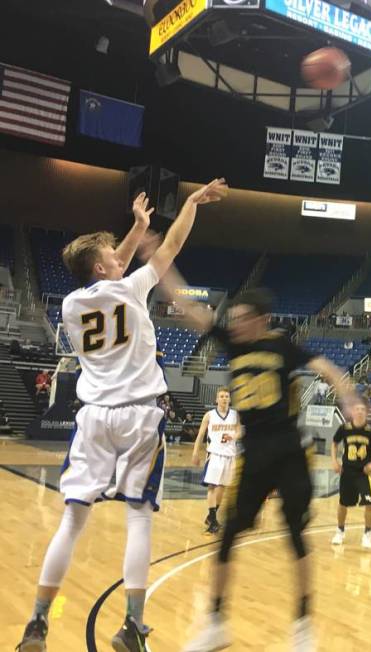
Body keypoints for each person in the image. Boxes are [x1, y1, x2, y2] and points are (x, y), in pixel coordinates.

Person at [16, 179, 228, 652]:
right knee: (139, 520)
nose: (122, 257)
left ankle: (37, 624)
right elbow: (170, 245)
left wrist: (134, 228)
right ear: (103, 267)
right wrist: (191, 204)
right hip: (139, 417)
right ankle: (132, 627)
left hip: (93, 418)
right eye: (115, 256)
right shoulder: (131, 289)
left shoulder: (71, 306)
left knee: (71, 522)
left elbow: (112, 267)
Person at [174, 287, 358, 652]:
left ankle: (303, 625)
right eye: (234, 318)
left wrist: (348, 396)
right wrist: (158, 263)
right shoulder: (231, 343)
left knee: (294, 536)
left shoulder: (282, 347)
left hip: (290, 452)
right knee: (228, 537)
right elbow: (193, 311)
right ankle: (215, 622)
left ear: (262, 320)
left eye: (243, 318)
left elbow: (326, 368)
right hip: (254, 455)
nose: (236, 324)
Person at [330, 399, 371, 548]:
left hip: (364, 473)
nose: (360, 411)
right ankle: (340, 531)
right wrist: (334, 461)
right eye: (357, 409)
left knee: (369, 503)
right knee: (343, 504)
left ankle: (367, 534)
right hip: (347, 472)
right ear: (352, 411)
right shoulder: (344, 428)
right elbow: (334, 443)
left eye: (363, 409)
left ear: (366, 412)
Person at [192, 388, 240, 534]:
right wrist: (195, 452)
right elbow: (200, 435)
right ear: (216, 399)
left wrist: (234, 437)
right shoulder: (209, 415)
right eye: (221, 396)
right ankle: (213, 521)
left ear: (230, 399)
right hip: (214, 454)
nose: (224, 398)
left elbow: (240, 431)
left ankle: (211, 516)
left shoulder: (235, 415)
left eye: (227, 396)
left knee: (222, 487)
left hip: (230, 455)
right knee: (212, 486)